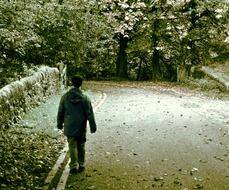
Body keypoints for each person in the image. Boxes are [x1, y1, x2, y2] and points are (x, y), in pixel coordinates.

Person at [57, 75, 97, 174]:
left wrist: (59, 123)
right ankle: (82, 164)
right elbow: (89, 113)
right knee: (81, 145)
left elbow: (61, 111)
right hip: (81, 126)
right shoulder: (85, 98)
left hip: (69, 125)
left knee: (72, 145)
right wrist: (92, 126)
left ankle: (73, 166)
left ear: (72, 83)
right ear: (81, 84)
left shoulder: (65, 97)